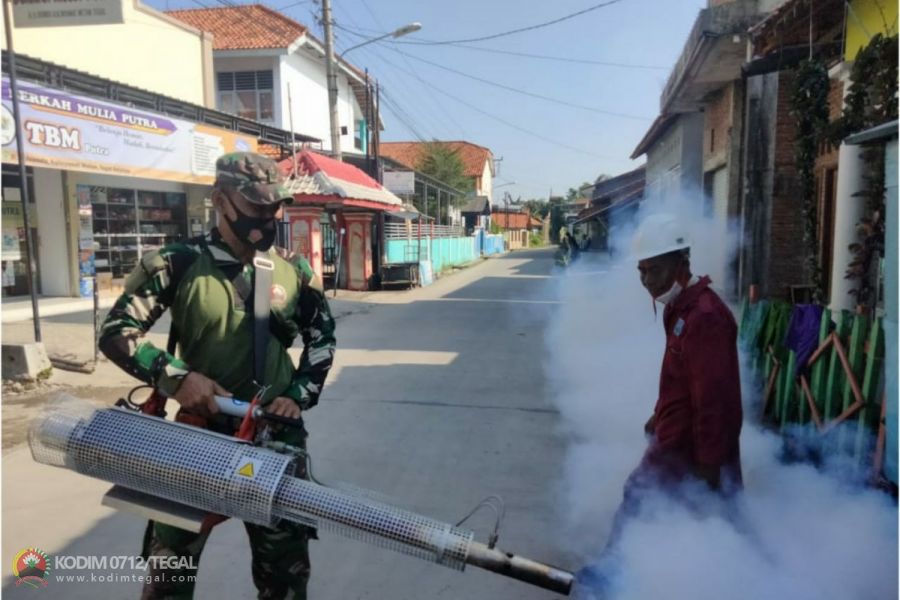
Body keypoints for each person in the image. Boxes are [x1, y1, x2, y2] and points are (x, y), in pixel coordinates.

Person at [99, 152, 336, 600]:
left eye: (274, 207)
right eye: (256, 207)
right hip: (195, 438)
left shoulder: (293, 269)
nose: (268, 218)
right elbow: (116, 332)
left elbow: (322, 339)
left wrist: (298, 393)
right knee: (169, 575)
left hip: (273, 440)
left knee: (284, 578)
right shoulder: (177, 263)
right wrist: (176, 378)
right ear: (220, 201)